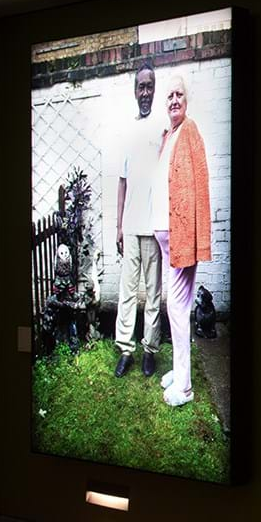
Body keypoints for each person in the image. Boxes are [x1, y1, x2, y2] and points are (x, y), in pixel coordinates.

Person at [151, 74, 211, 407]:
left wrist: (189, 237)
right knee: (179, 306)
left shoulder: (189, 131)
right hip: (167, 237)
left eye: (179, 95)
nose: (174, 100)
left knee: (176, 307)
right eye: (170, 95)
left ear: (186, 100)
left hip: (179, 238)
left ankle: (184, 387)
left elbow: (196, 186)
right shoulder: (171, 134)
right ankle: (179, 370)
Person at [113, 63, 164, 379]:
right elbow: (121, 182)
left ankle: (150, 351)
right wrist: (118, 226)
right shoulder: (128, 131)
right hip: (131, 227)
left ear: (154, 90)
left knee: (154, 293)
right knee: (127, 292)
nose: (145, 92)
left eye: (150, 86)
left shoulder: (162, 128)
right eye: (141, 86)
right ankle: (125, 351)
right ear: (135, 91)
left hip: (154, 226)